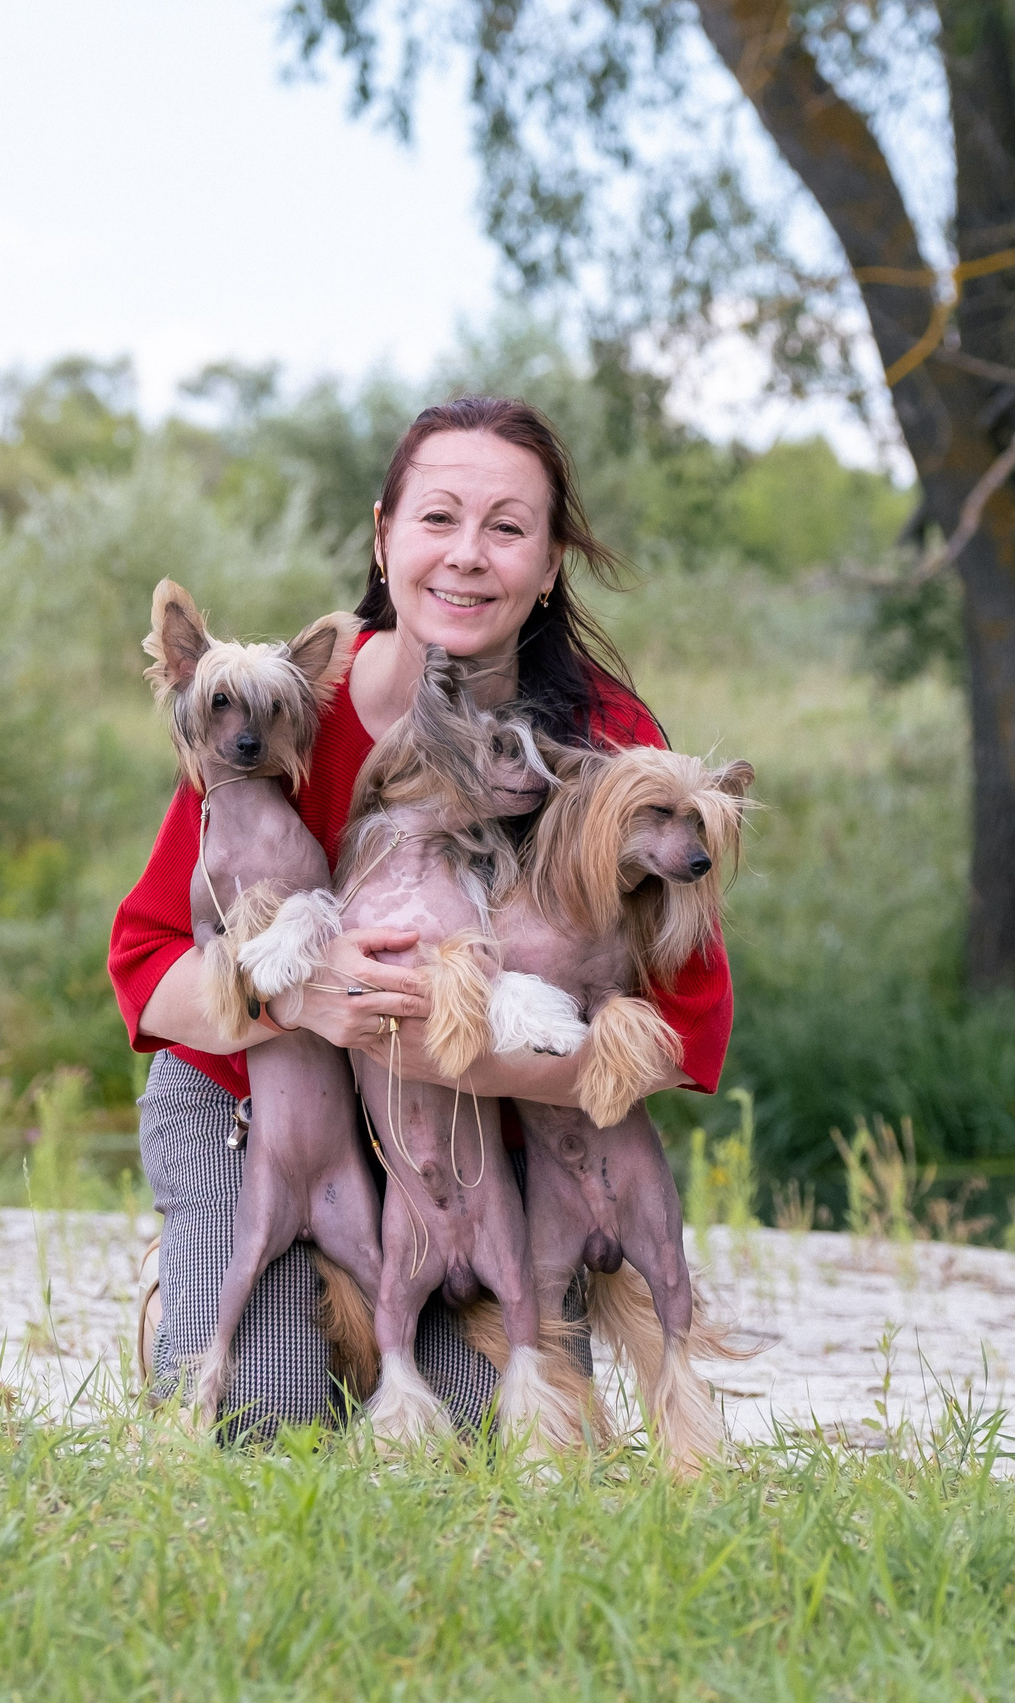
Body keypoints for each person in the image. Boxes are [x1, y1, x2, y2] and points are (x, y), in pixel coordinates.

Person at [108, 395, 733, 1438]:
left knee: (494, 1431)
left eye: (507, 527)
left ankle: (376, 1310)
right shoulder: (273, 704)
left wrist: (452, 1053)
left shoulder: (610, 744)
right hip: (260, 1107)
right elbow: (147, 966)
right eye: (437, 518)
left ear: (547, 564)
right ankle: (207, 1285)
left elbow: (677, 1031)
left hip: (474, 1134)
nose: (467, 556)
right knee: (267, 1415)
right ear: (383, 536)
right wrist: (305, 998)